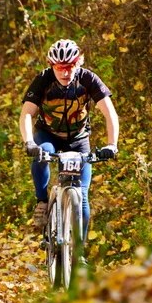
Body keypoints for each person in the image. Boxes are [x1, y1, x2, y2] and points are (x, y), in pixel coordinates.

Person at [19, 39, 119, 259]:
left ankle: (79, 255)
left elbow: (109, 113)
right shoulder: (43, 79)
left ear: (79, 63)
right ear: (52, 66)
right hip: (49, 135)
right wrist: (29, 142)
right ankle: (43, 202)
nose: (65, 73)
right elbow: (27, 113)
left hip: (78, 139)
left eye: (70, 66)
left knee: (82, 196)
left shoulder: (88, 79)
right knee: (42, 155)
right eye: (59, 68)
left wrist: (112, 145)